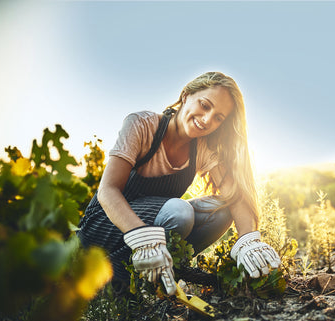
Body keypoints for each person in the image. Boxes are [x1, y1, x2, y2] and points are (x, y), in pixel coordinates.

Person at [77, 72, 281, 296]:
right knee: (180, 211)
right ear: (186, 95)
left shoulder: (202, 148)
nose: (207, 119)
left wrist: (248, 239)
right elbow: (108, 191)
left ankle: (150, 280)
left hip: (150, 234)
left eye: (218, 117)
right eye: (204, 105)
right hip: (101, 227)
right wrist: (143, 238)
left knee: (221, 211)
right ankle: (114, 282)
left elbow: (235, 195)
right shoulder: (142, 125)